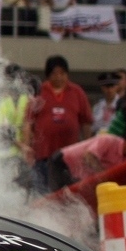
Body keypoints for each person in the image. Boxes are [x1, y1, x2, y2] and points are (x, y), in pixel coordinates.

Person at [24, 55, 93, 192]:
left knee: (69, 192)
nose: (59, 77)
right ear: (48, 75)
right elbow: (28, 122)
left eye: (62, 73)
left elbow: (86, 122)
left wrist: (89, 146)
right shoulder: (39, 92)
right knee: (44, 193)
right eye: (55, 73)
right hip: (43, 155)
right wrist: (27, 148)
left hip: (70, 156)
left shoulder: (77, 92)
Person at [92, 69, 126, 133]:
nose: (109, 90)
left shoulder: (123, 105)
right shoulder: (97, 106)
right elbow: (93, 126)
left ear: (117, 86)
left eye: (112, 86)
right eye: (106, 87)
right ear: (102, 87)